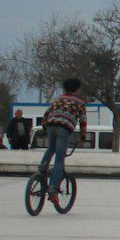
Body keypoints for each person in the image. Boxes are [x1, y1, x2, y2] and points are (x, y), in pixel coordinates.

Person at [38, 79, 87, 207]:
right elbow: (83, 120)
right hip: (64, 128)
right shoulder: (79, 102)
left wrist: (44, 128)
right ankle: (53, 188)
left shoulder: (57, 99)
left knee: (51, 148)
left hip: (51, 125)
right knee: (60, 159)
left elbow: (46, 115)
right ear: (77, 89)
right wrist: (83, 135)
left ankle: (42, 168)